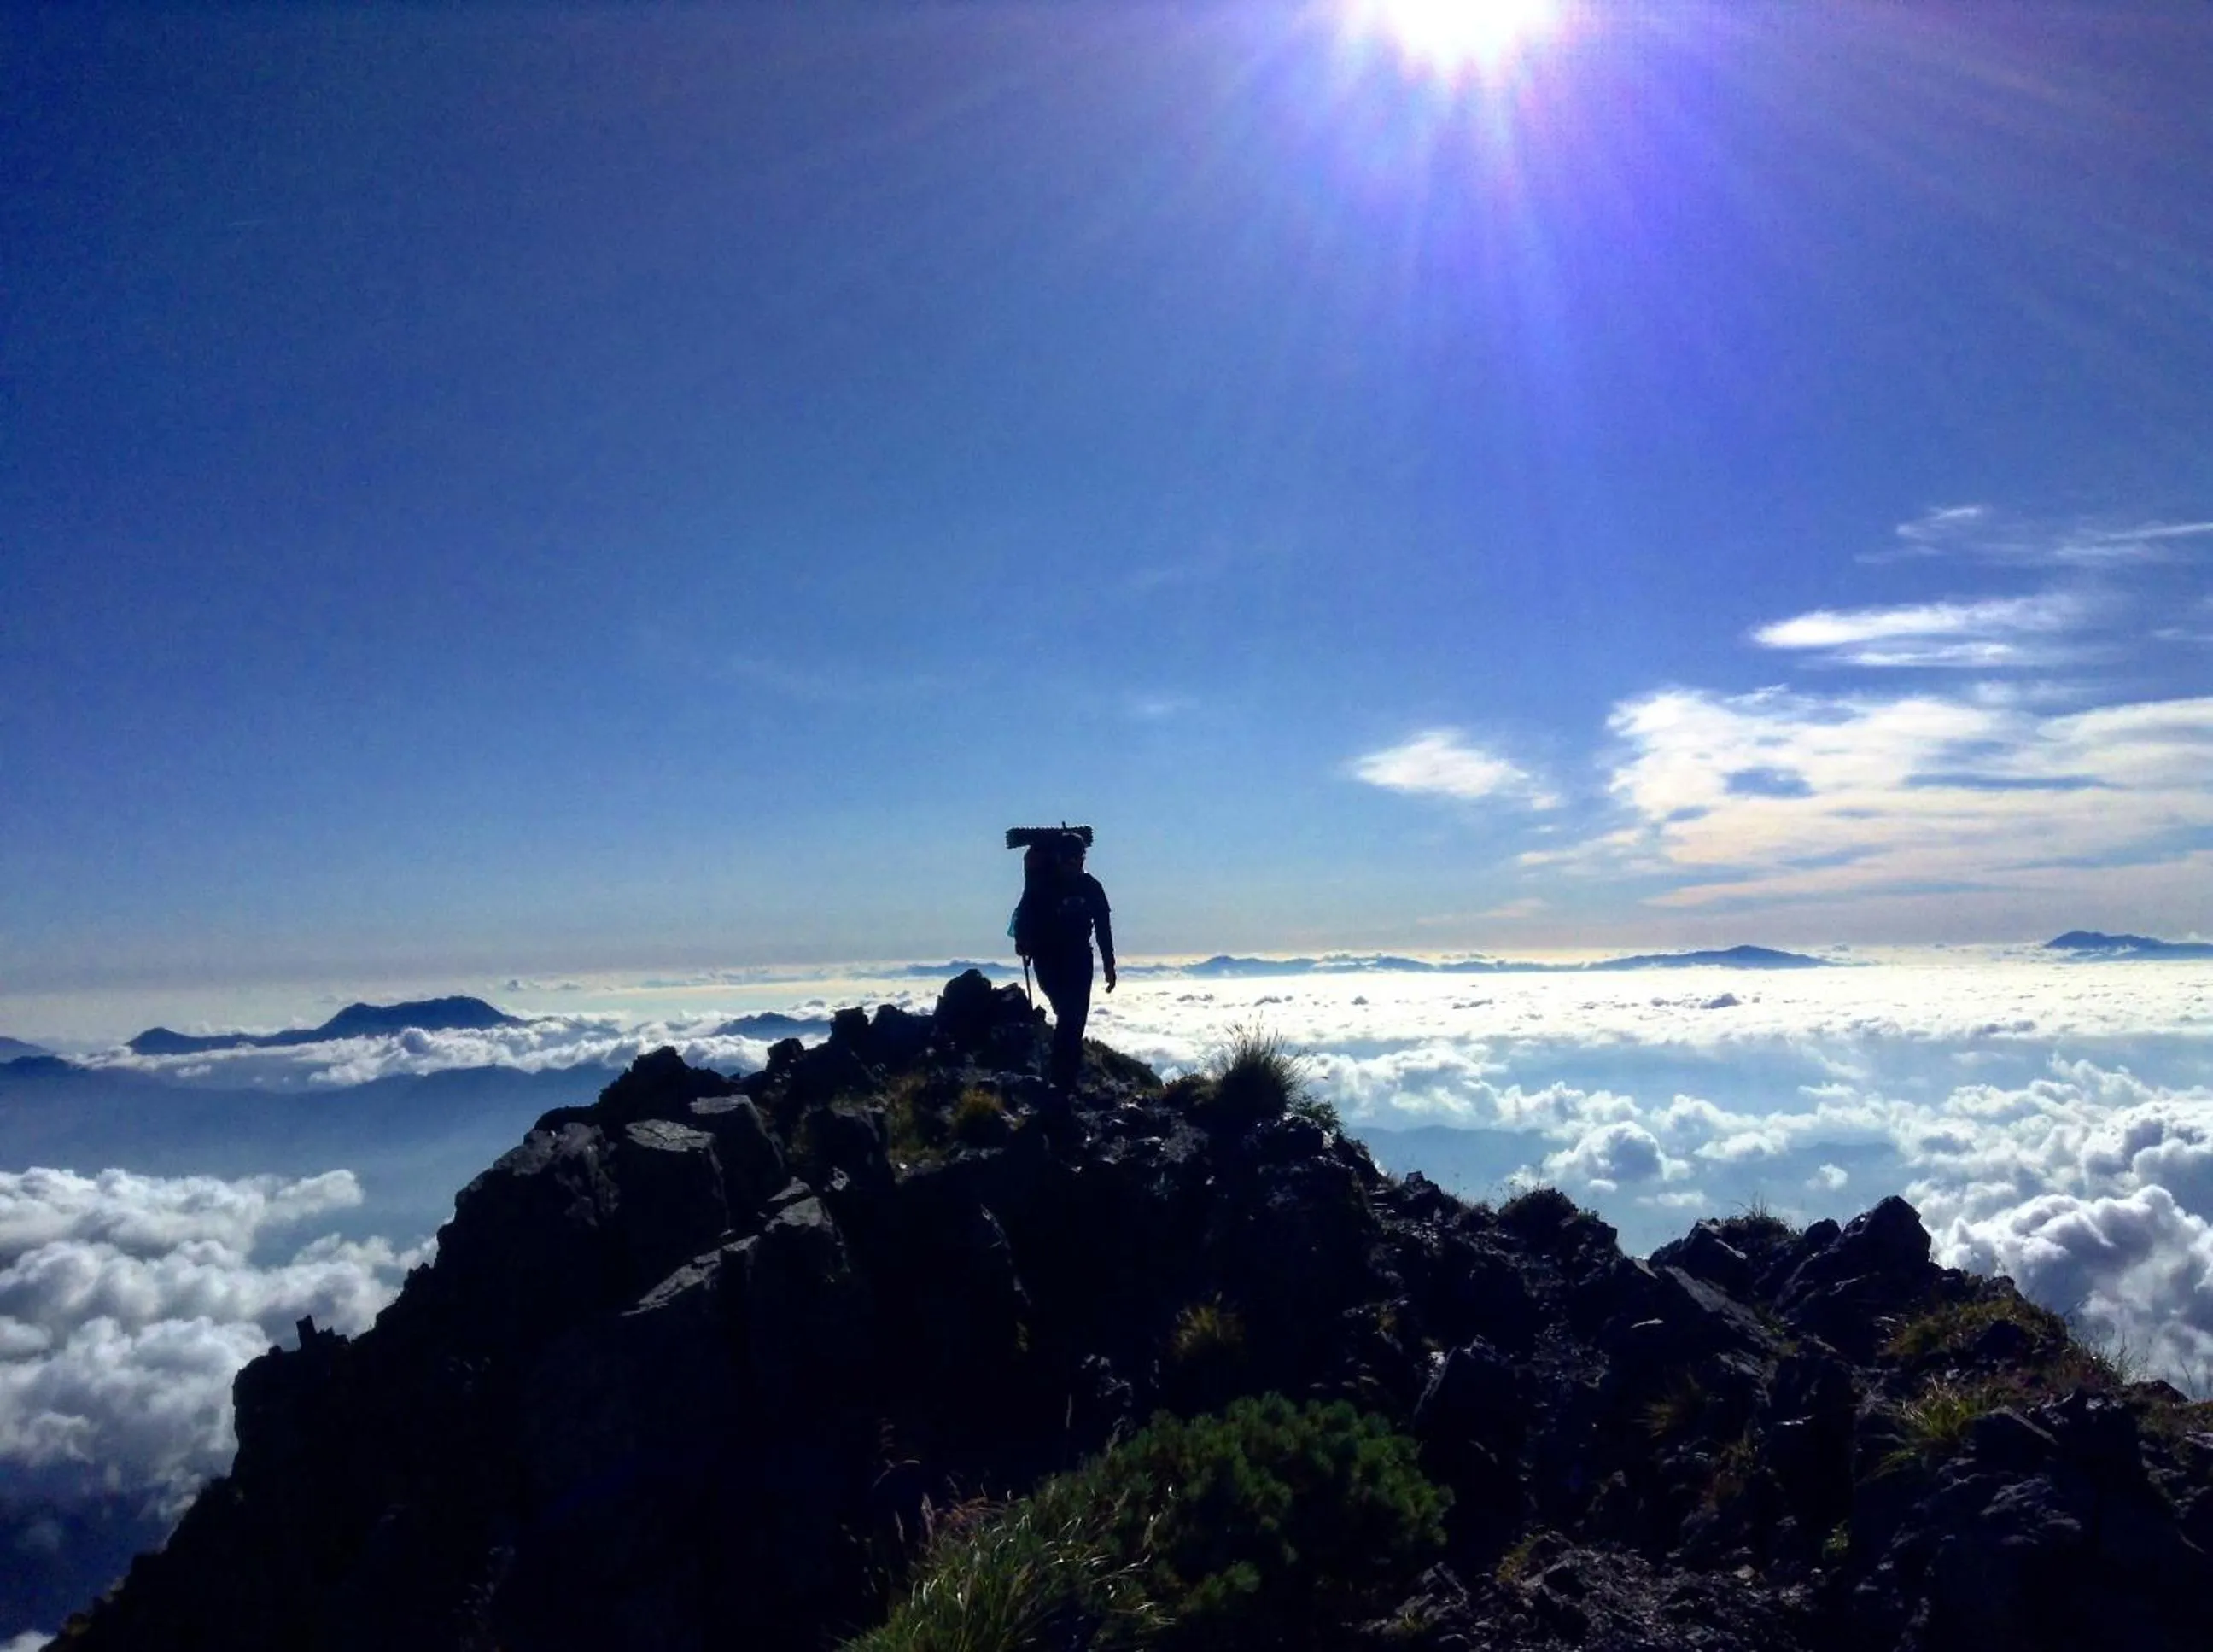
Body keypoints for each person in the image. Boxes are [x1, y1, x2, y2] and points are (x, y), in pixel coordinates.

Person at [1013, 832, 1116, 1089]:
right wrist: (1025, 942)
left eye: (1079, 859)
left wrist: (1109, 965)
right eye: (1072, 859)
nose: (1076, 864)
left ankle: (1063, 1080)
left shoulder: (1090, 887)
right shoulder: (1045, 886)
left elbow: (1103, 927)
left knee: (1074, 1017)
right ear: (1060, 858)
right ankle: (1061, 1079)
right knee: (1069, 1015)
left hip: (1078, 959)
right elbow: (1026, 918)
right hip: (1050, 959)